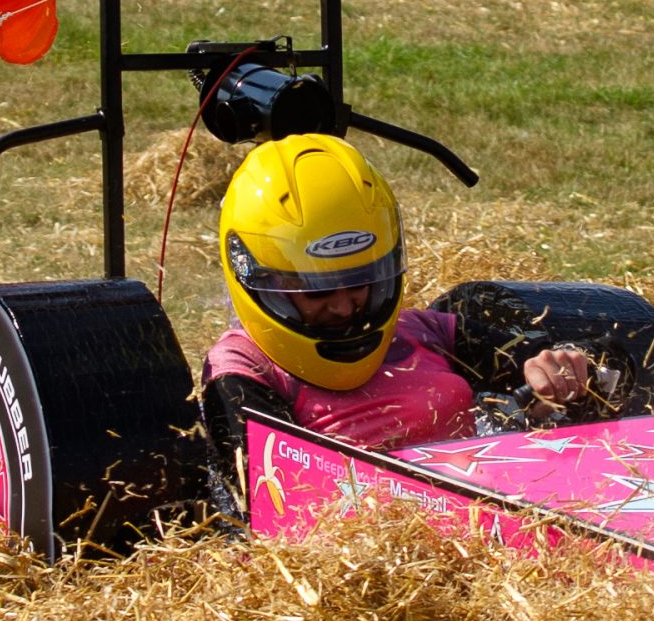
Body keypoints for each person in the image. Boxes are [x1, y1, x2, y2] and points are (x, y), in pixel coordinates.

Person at [197, 134, 599, 515]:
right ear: (261, 283)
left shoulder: (424, 331)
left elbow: (604, 364)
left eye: (363, 283)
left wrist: (567, 368)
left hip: (491, 508)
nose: (343, 307)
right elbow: (270, 496)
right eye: (316, 291)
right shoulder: (241, 368)